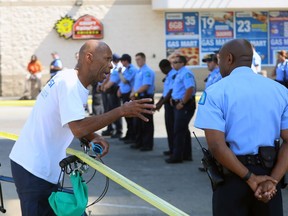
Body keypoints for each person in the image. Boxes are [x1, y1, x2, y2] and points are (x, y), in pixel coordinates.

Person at [9, 40, 155, 216]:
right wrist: (121, 111)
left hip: (39, 167)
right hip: (34, 169)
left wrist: (92, 136)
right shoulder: (70, 84)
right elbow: (78, 128)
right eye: (107, 59)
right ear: (89, 58)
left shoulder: (71, 80)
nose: (110, 66)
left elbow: (71, 121)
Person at [194, 39, 288, 216]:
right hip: (269, 177)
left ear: (229, 59)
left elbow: (216, 146)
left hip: (232, 178)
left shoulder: (215, 92)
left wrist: (250, 178)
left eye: (219, 59)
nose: (219, 64)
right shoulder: (280, 90)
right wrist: (272, 181)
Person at [166, 55, 196, 163]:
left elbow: (190, 88)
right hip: (177, 103)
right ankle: (186, 154)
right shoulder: (179, 73)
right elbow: (178, 89)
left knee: (178, 130)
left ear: (182, 63)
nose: (173, 64)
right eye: (173, 62)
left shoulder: (186, 73)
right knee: (183, 129)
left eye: (176, 62)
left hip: (185, 105)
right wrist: (172, 99)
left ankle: (177, 156)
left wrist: (182, 102)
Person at [130, 52, 155, 151]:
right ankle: (139, 142)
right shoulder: (139, 71)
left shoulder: (147, 71)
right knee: (138, 123)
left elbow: (146, 86)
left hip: (146, 98)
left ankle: (147, 144)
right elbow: (136, 85)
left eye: (139, 59)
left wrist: (134, 93)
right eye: (136, 59)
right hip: (138, 98)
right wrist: (133, 93)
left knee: (146, 122)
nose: (137, 61)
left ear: (144, 59)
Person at [155, 59, 177, 156]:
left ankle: (175, 150)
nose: (162, 71)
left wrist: (160, 104)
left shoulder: (173, 75)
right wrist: (158, 104)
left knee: (173, 128)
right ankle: (171, 149)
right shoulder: (169, 75)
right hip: (167, 103)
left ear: (165, 67)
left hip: (172, 104)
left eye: (161, 69)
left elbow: (170, 92)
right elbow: (165, 93)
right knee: (169, 127)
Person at [117, 54, 137, 143]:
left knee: (130, 116)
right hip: (125, 94)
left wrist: (120, 73)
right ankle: (129, 134)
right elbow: (122, 82)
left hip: (130, 94)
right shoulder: (127, 69)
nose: (121, 63)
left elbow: (125, 80)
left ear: (126, 61)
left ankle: (132, 136)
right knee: (127, 116)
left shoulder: (132, 69)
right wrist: (120, 90)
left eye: (122, 61)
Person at [102, 53, 123, 138]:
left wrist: (105, 87)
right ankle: (111, 129)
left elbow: (112, 80)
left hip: (114, 91)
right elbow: (109, 78)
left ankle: (118, 130)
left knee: (116, 111)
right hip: (111, 91)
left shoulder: (118, 68)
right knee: (110, 110)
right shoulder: (115, 67)